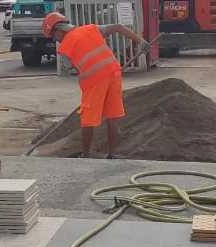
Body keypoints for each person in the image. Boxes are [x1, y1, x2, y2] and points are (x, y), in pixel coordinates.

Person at [42, 12, 150, 158]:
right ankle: (112, 154)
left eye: (54, 37)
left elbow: (70, 69)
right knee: (112, 117)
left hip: (94, 82)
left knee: (88, 120)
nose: (56, 40)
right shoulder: (91, 29)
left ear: (59, 30)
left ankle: (85, 156)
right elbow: (118, 27)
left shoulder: (65, 46)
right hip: (114, 74)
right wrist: (140, 41)